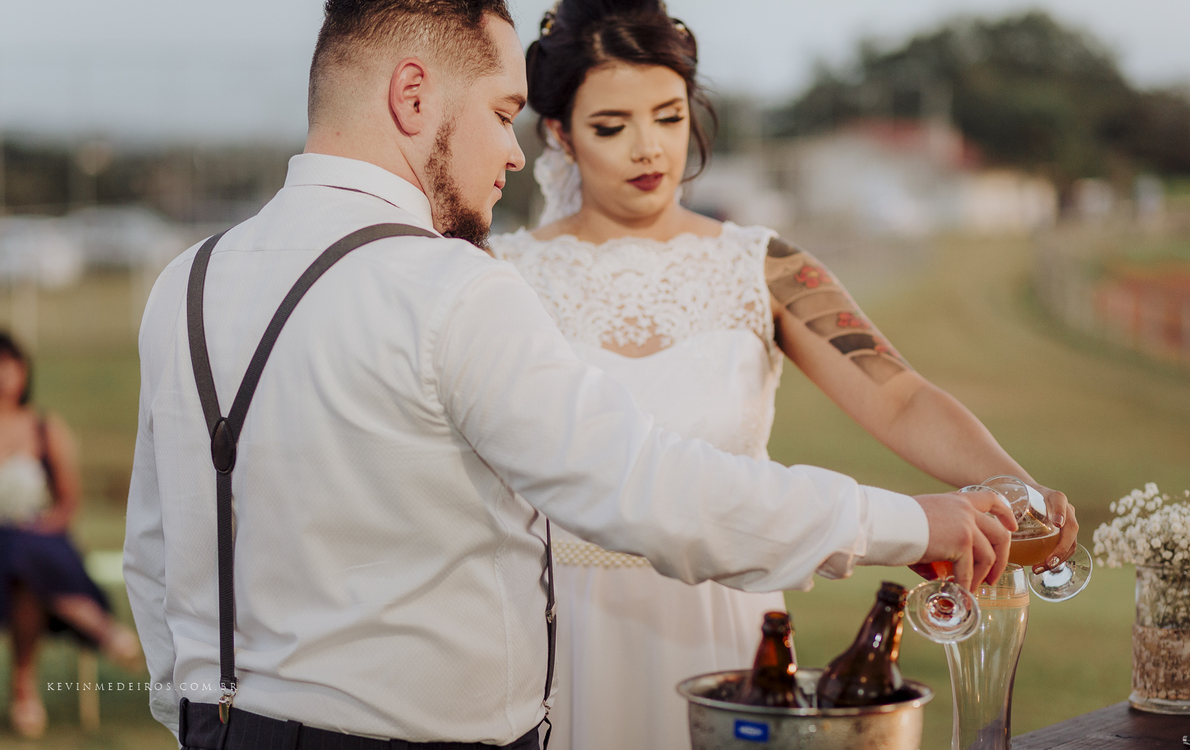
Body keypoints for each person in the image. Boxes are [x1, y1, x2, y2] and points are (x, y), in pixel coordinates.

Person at [123, 2, 1017, 749]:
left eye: (668, 116)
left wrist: (195, 714)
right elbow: (643, 487)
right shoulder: (462, 286)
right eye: (500, 113)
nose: (514, 155)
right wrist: (906, 521)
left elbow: (158, 555)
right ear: (412, 96)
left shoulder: (186, 281)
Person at [490, 2, 1079, 749]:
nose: (649, 148)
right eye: (612, 126)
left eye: (669, 116)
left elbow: (899, 397)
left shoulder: (765, 266)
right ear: (558, 132)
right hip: (560, 623)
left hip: (728, 612)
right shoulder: (500, 276)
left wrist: (1018, 490)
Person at [0, 331, 142, 740]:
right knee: (12, 548)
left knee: (23, 559)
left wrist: (35, 524)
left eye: (9, 366)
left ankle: (24, 692)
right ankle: (97, 625)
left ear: (24, 372)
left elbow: (67, 503)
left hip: (41, 539)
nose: (1, 376)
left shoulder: (44, 427)